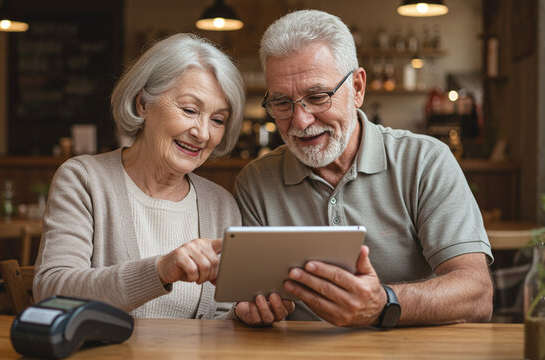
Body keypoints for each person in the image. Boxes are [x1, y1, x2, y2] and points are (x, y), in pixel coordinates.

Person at [233, 10, 493, 327]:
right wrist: (254, 309)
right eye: (282, 102)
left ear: (357, 87)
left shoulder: (425, 162)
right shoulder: (256, 182)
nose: (300, 121)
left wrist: (383, 304)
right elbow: (250, 299)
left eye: (317, 97)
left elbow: (477, 295)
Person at [33, 33, 245, 320]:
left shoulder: (220, 204)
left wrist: (249, 314)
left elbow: (223, 317)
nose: (203, 133)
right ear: (143, 103)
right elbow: (52, 293)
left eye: (218, 120)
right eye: (189, 110)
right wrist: (159, 270)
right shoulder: (83, 180)